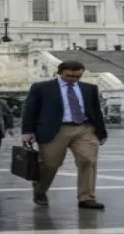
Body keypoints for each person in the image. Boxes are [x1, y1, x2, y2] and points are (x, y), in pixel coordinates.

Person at [22, 60, 108, 209]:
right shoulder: (42, 88)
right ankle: (40, 191)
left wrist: (101, 132)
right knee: (50, 164)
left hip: (84, 128)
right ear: (59, 72)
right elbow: (30, 110)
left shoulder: (90, 88)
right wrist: (27, 131)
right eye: (69, 75)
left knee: (88, 160)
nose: (73, 79)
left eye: (77, 76)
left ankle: (86, 197)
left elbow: (96, 111)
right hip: (55, 129)